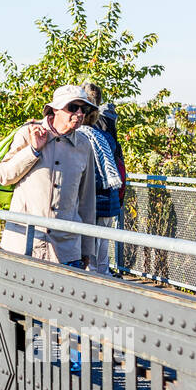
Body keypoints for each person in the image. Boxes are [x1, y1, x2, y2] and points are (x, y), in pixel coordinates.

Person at [0, 84, 97, 267]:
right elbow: (3, 176)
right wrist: (33, 150)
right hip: (23, 243)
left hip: (66, 250)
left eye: (85, 109)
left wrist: (87, 249)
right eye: (73, 107)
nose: (80, 113)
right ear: (56, 109)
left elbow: (87, 201)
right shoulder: (28, 133)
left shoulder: (84, 145)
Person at [79, 95, 127, 274]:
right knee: (103, 244)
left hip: (95, 200)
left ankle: (95, 277)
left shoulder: (83, 138)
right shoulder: (107, 138)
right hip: (111, 197)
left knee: (90, 245)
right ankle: (104, 274)